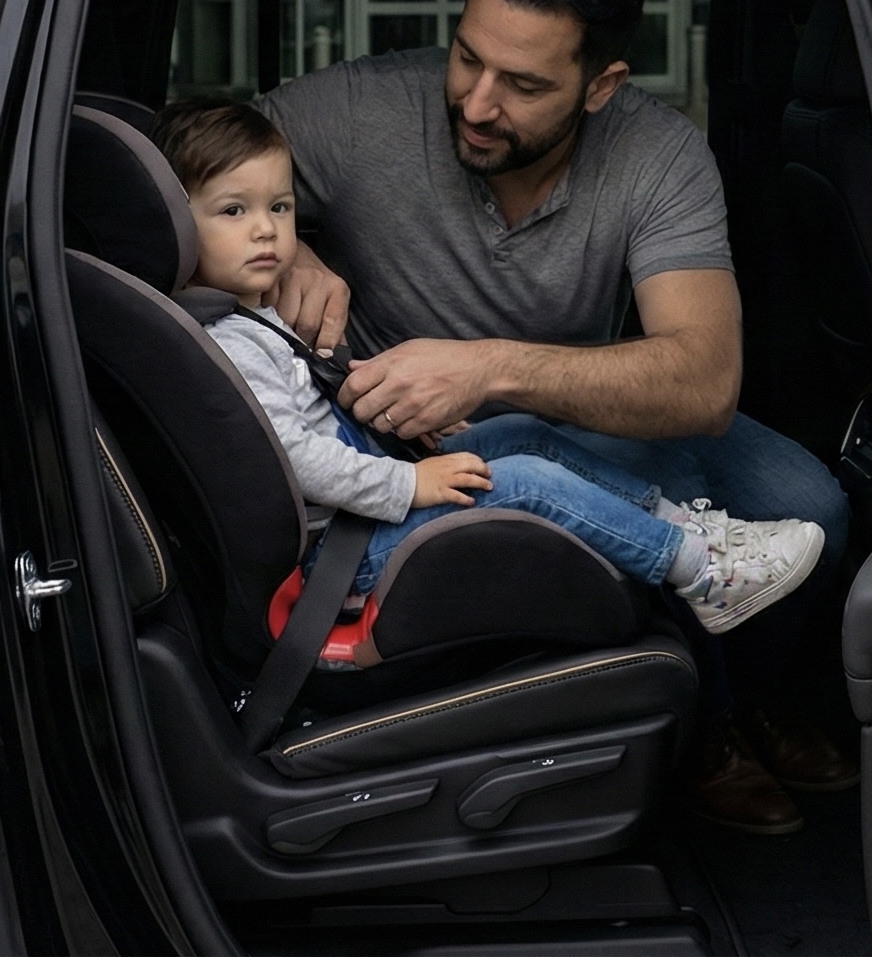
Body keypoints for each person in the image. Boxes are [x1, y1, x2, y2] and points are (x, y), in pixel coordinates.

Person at [260, 0, 854, 830]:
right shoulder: (358, 109)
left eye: (525, 84)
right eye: (467, 57)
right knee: (667, 492)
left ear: (601, 84)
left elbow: (703, 382)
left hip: (570, 399)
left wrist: (489, 366)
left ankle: (738, 700)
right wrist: (278, 241)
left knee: (813, 505)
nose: (477, 101)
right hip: (402, 442)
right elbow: (184, 155)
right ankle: (703, 726)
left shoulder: (660, 156)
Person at [155, 97, 825, 636]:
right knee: (527, 480)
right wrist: (408, 482)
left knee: (517, 435)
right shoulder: (231, 343)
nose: (267, 231)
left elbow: (312, 417)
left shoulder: (254, 316)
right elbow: (297, 461)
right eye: (233, 212)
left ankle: (688, 529)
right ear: (174, 226)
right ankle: (701, 572)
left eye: (279, 207)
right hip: (342, 555)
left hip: (357, 514)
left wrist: (397, 436)